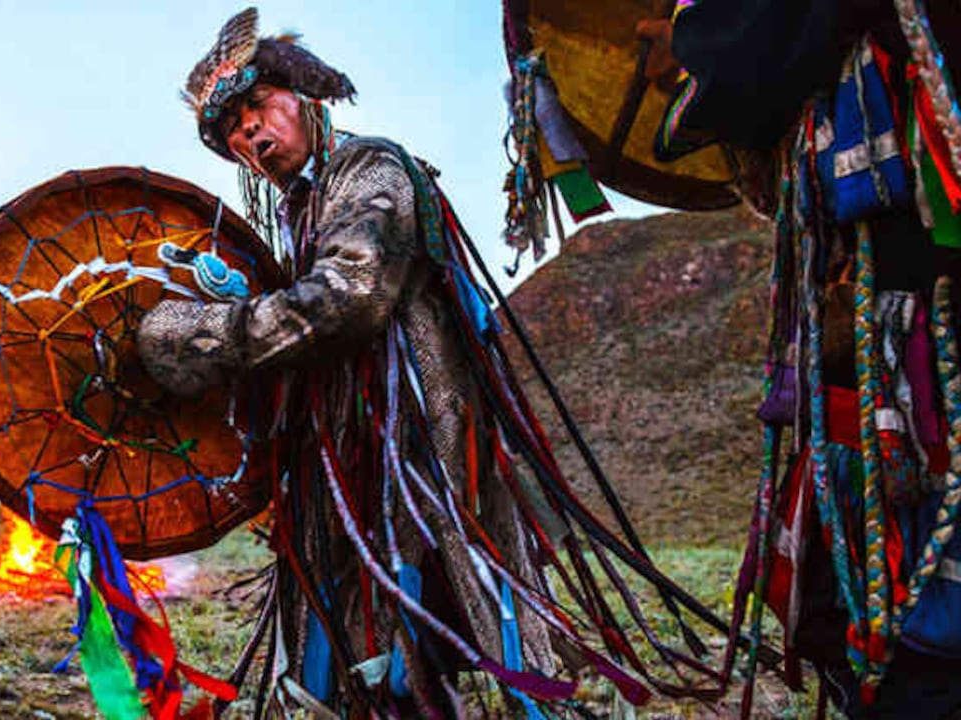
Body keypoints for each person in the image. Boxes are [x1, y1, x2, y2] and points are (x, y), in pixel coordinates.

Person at [137, 8, 717, 716]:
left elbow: (347, 296)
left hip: (422, 444)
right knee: (357, 602)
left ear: (306, 96)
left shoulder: (369, 168)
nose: (248, 133)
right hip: (355, 454)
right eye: (230, 132)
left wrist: (202, 334)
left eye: (258, 106)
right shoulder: (304, 206)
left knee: (464, 572)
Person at [633, 2, 961, 717]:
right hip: (891, 335)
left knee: (918, 636)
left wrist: (688, 41)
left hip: (919, 326)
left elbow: (757, 52)